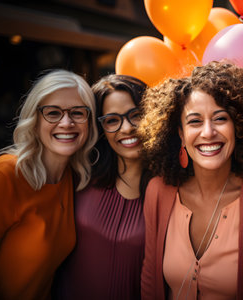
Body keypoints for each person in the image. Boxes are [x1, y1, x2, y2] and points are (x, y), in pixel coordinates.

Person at [139, 61, 243, 300]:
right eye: (195, 121)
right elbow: (150, 283)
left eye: (220, 119)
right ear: (180, 134)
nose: (208, 132)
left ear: (239, 127)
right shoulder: (158, 192)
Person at [0, 69, 97, 300]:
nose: (66, 123)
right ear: (35, 120)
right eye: (53, 113)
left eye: (78, 113)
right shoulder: (4, 175)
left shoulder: (72, 178)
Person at [53, 74, 152, 299]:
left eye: (136, 115)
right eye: (112, 120)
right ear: (101, 128)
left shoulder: (168, 189)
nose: (126, 128)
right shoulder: (79, 176)